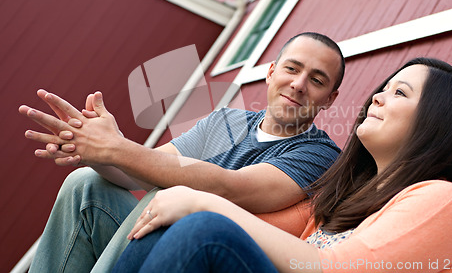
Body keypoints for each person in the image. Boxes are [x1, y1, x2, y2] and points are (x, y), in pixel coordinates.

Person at [112, 57, 452, 273]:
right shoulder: (343, 196)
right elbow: (253, 225)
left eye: (399, 93)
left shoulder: (444, 202)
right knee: (176, 219)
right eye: (384, 88)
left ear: (437, 121)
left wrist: (201, 202)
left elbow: (329, 269)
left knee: (204, 227)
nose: (377, 97)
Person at [20, 32, 345, 272]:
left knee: (166, 195)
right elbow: (142, 169)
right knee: (85, 183)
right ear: (272, 71)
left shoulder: (319, 154)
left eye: (316, 80)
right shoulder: (227, 121)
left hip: (204, 256)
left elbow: (227, 186)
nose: (299, 84)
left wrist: (117, 148)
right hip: (153, 245)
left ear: (330, 98)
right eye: (292, 68)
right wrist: (97, 152)